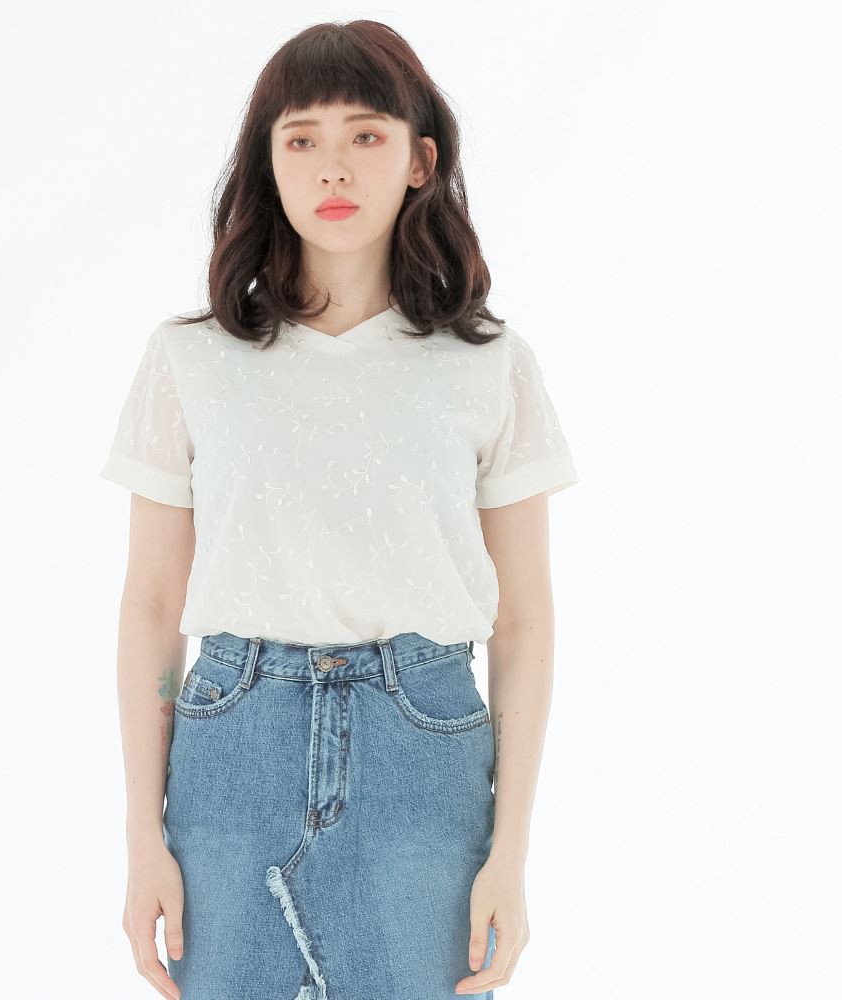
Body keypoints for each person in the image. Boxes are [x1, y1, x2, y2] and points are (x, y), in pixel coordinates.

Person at [100, 19, 578, 1000]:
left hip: (425, 755)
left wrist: (511, 852)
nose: (333, 165)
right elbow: (151, 604)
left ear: (419, 160)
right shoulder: (192, 360)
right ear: (267, 161)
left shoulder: (487, 366)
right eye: (301, 137)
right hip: (232, 750)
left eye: (365, 134)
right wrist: (143, 835)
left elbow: (525, 618)